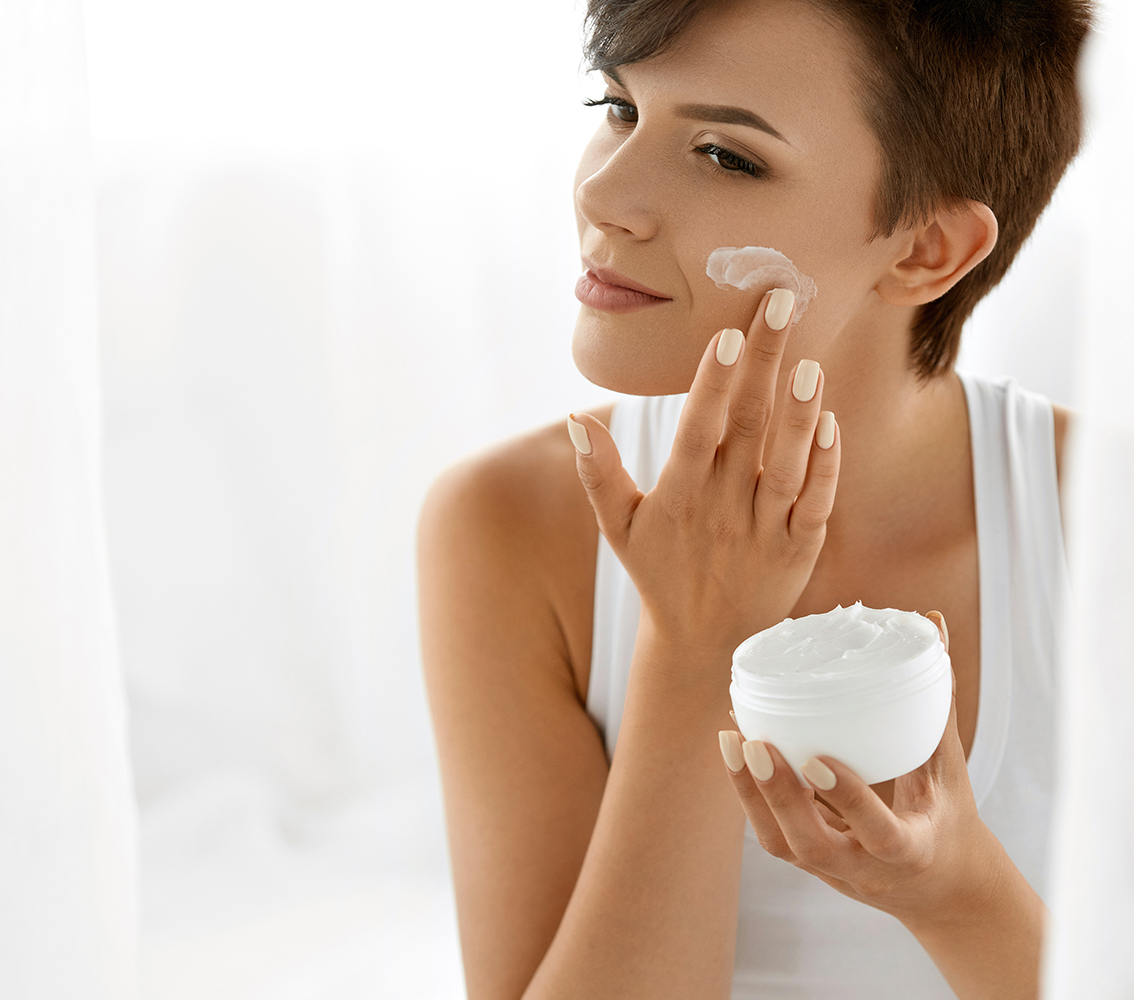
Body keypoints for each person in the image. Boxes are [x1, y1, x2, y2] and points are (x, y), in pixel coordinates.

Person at [417, 0, 1089, 996]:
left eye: (725, 155)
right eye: (617, 106)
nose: (606, 194)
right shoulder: (508, 528)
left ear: (925, 250)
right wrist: (693, 653)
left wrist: (956, 889)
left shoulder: (1121, 531)